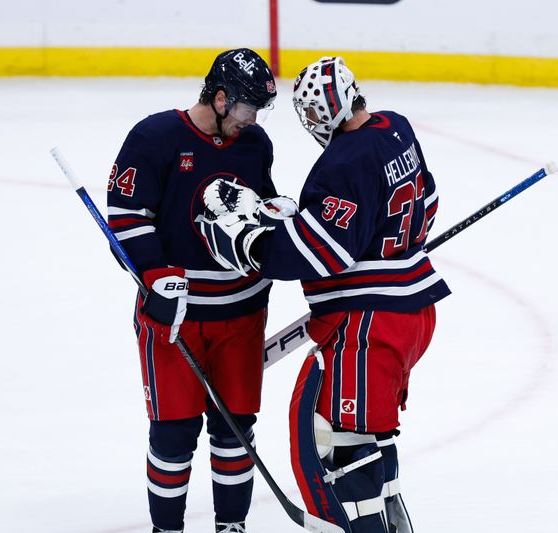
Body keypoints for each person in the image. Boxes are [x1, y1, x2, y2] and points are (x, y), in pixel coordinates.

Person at [200, 56, 451, 532]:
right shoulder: (395, 127)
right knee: (367, 428)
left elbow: (322, 253)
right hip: (413, 310)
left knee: (333, 437)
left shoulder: (343, 160)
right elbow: (429, 201)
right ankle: (392, 522)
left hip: (370, 322)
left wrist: (253, 245)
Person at [106, 48, 293, 533]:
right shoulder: (154, 138)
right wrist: (154, 274)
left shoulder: (254, 144)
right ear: (221, 96)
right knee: (174, 433)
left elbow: (255, 205)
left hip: (243, 315)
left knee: (235, 432)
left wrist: (274, 216)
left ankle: (231, 526)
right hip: (176, 320)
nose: (253, 120)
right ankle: (167, 529)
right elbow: (126, 218)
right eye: (248, 108)